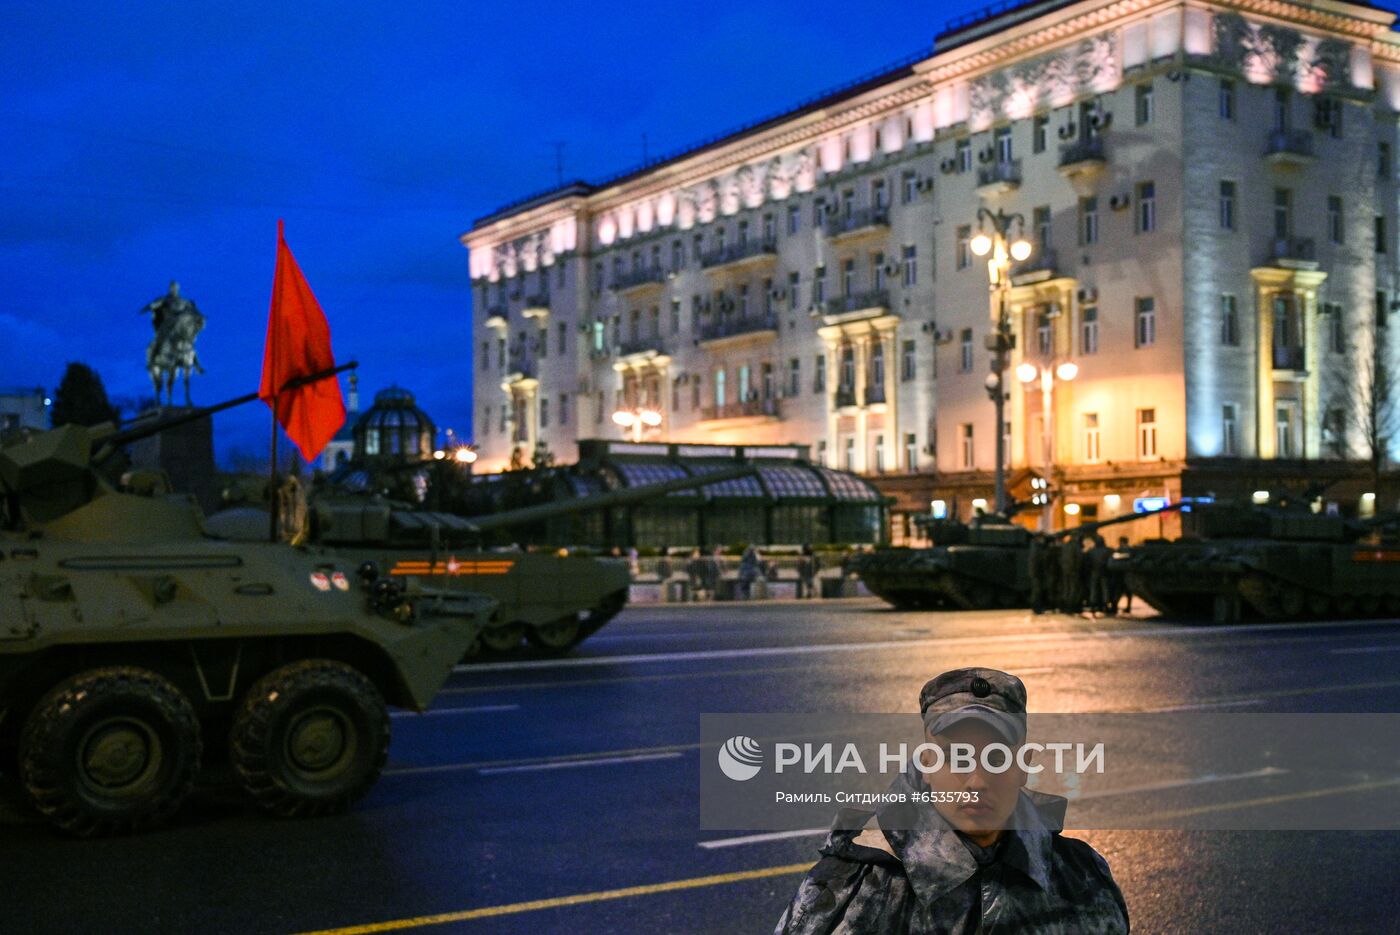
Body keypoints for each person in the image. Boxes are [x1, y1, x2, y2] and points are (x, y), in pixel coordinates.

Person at [774, 667, 1130, 934]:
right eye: (957, 758)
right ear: (926, 763)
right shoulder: (857, 887)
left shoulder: (1080, 875)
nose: (976, 782)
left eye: (996, 758)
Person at [1086, 535, 1112, 615]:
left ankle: (1093, 605)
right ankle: (1105, 605)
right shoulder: (1108, 550)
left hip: (1094, 572)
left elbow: (1088, 563)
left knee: (1094, 589)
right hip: (1104, 572)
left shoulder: (1091, 551)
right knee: (1105, 589)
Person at [1111, 536, 1133, 614]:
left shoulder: (1119, 550)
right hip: (1128, 574)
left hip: (1120, 574)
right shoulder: (1131, 550)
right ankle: (1128, 607)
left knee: (1118, 592)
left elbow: (1113, 560)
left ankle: (1114, 607)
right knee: (1128, 593)